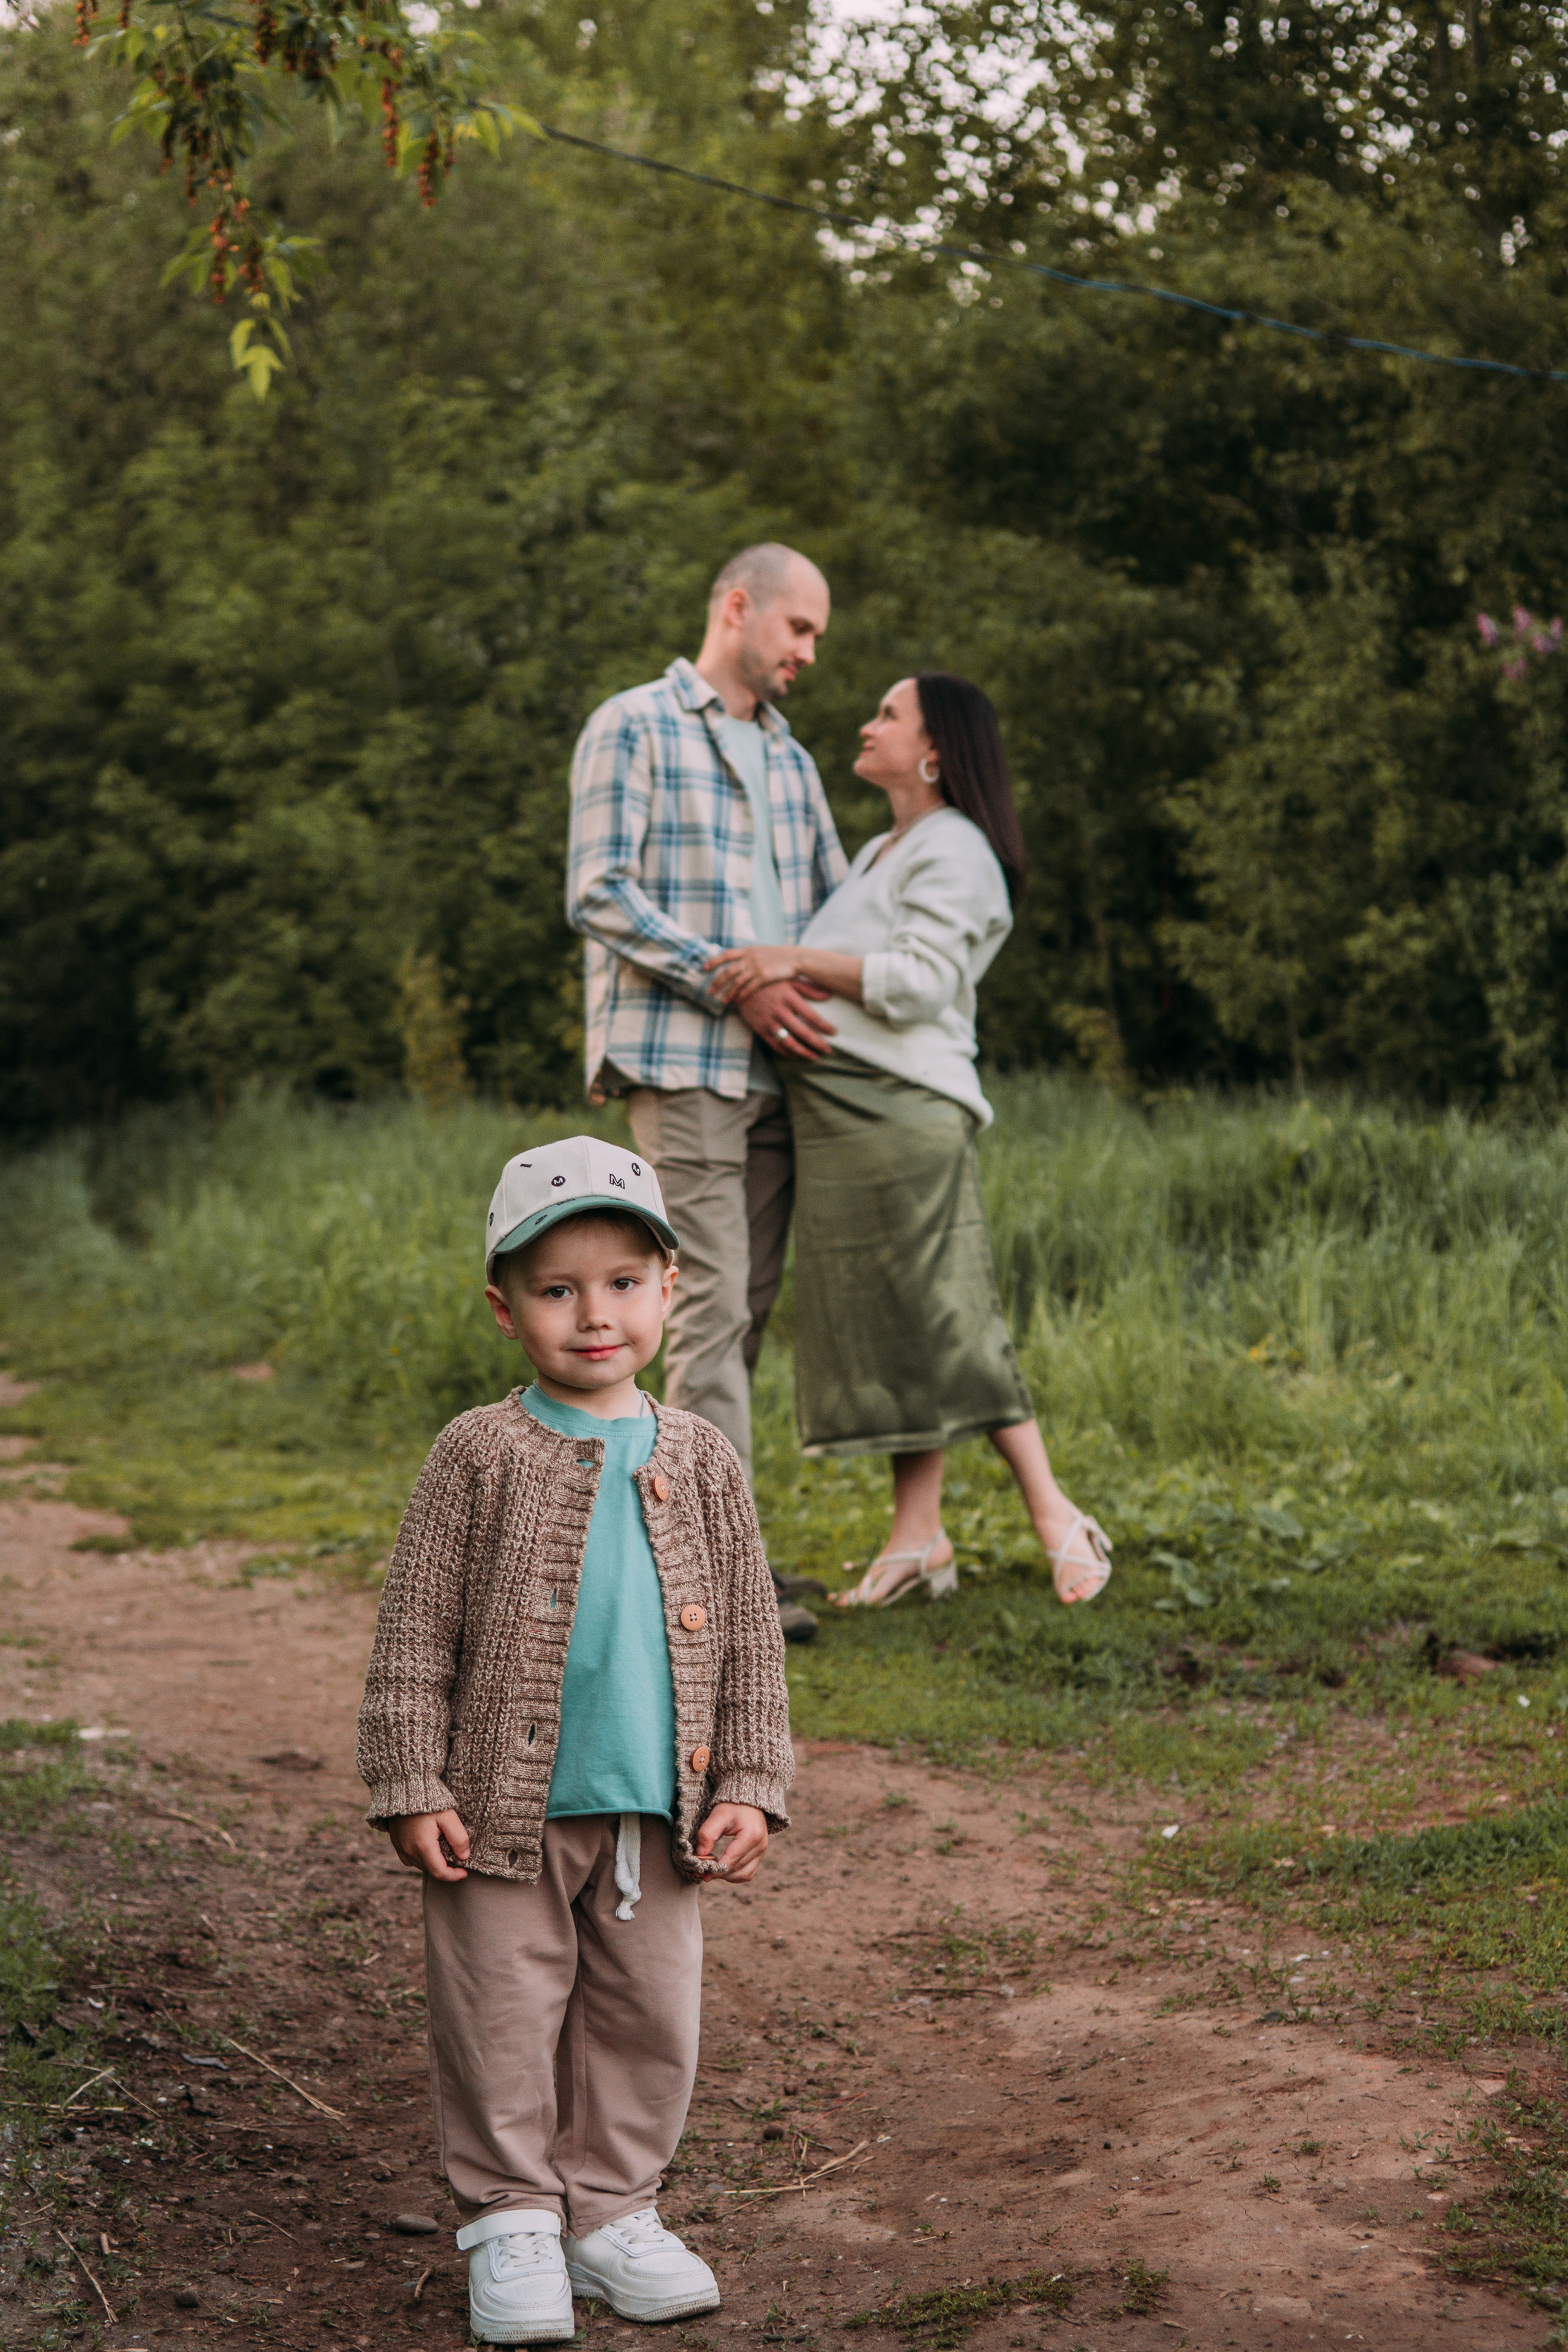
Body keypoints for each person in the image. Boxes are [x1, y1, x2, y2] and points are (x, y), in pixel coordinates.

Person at [356, 1134, 792, 2346]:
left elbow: (751, 1636)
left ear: (670, 1291)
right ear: (504, 1310)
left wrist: (750, 1780)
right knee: (500, 2008)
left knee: (649, 2018)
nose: (590, 1313)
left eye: (619, 1283)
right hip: (499, 1812)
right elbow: (412, 1634)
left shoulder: (703, 1460)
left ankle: (609, 2215)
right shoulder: (476, 1455)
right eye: (556, 1289)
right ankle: (510, 2220)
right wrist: (408, 1779)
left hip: (658, 1814)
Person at [706, 674, 1111, 1609]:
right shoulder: (886, 849)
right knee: (890, 1324)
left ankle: (1054, 1513)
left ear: (936, 751)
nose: (867, 723)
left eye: (889, 714)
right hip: (842, 1119)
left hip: (899, 1110)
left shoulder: (957, 847)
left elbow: (921, 982)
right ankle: (918, 1538)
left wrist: (790, 959)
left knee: (944, 1312)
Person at [566, 543, 847, 1639]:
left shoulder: (794, 762)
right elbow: (599, 891)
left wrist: (801, 980)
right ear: (740, 609)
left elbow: (827, 910)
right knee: (714, 1306)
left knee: (744, 1314)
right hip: (684, 1056)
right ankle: (722, 1584)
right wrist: (731, 978)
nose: (809, 655)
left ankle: (702, 1547)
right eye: (800, 630)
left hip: (780, 1067)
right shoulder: (633, 724)